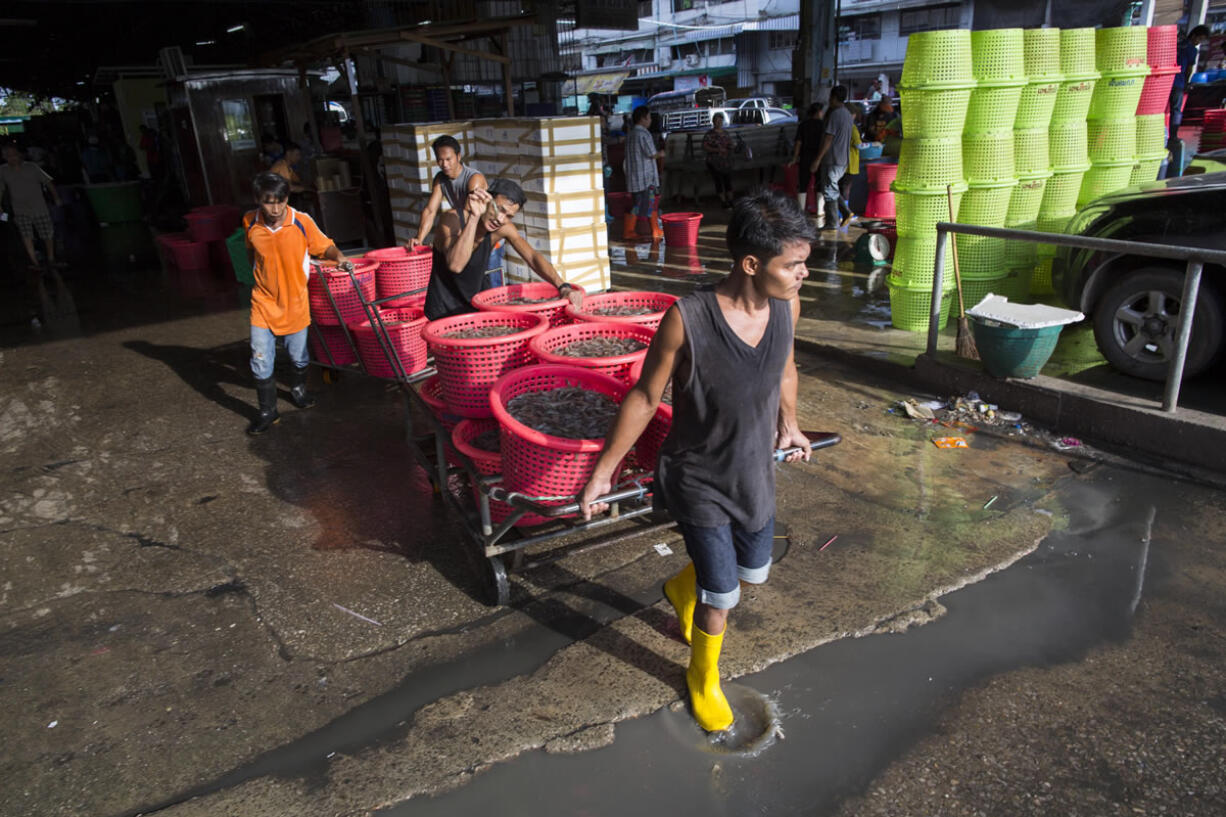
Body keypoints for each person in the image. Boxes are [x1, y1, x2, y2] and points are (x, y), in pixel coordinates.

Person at [579, 189, 814, 732]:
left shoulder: (788, 306)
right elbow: (643, 397)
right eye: (793, 265)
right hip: (699, 477)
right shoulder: (687, 319)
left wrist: (791, 423)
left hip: (753, 470)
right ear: (751, 263)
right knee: (723, 601)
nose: (803, 275)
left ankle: (685, 587)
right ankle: (702, 679)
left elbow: (785, 368)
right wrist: (603, 473)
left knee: (751, 575)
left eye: (805, 264)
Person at [242, 172, 350, 435]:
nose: (276, 208)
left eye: (281, 201)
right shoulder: (249, 222)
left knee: (298, 356)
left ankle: (299, 391)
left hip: (296, 303)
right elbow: (250, 254)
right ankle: (268, 412)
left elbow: (325, 247)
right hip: (263, 302)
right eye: (268, 202)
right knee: (260, 358)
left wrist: (341, 258)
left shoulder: (301, 221)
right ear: (258, 200)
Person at [424, 177, 582, 321]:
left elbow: (532, 257)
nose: (501, 219)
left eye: (509, 216)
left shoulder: (502, 228)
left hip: (476, 307)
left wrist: (563, 286)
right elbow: (455, 265)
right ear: (487, 200)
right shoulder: (452, 220)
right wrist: (474, 217)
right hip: (444, 310)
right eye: (499, 209)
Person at [410, 134, 487, 248]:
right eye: (440, 160)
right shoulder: (440, 179)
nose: (445, 164)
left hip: (483, 238)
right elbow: (430, 211)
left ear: (458, 156)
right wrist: (419, 239)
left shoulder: (474, 179)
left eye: (448, 159)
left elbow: (468, 214)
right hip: (465, 236)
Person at [1, 143, 64, 269]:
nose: (11, 158)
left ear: (19, 155)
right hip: (20, 209)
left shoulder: (32, 167)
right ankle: (35, 262)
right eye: (8, 156)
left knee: (47, 233)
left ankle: (51, 259)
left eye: (14, 155)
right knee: (26, 235)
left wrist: (56, 197)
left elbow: (48, 182)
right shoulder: (2, 170)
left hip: (39, 207)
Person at [809, 85, 855, 231]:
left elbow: (828, 139)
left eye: (830, 97)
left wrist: (817, 160)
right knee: (832, 188)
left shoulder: (835, 115)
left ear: (834, 98)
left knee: (829, 190)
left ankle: (831, 223)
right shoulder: (847, 114)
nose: (829, 100)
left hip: (833, 159)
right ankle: (846, 213)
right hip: (842, 159)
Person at [623, 105, 665, 241]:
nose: (651, 120)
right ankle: (654, 230)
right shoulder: (644, 134)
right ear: (643, 118)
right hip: (645, 178)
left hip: (634, 178)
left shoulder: (631, 134)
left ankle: (630, 230)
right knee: (650, 203)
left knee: (637, 204)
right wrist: (662, 153)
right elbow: (652, 154)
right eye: (649, 117)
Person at [1170, 25, 1211, 148]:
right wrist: (1187, 83)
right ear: (1194, 35)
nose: (1199, 42)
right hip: (1178, 82)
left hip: (1165, 81)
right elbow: (1189, 69)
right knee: (1176, 110)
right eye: (1199, 39)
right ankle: (1173, 136)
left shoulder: (1177, 44)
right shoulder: (1192, 49)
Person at [788, 103, 825, 226]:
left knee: (803, 184)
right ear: (819, 112)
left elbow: (798, 143)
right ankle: (820, 211)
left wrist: (794, 157)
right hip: (819, 158)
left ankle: (800, 211)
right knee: (820, 184)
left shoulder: (803, 125)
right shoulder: (823, 125)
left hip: (805, 157)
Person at [837, 112, 864, 228]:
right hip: (850, 162)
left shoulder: (840, 126)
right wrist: (872, 145)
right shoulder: (852, 128)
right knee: (846, 189)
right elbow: (858, 145)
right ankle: (845, 212)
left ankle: (840, 213)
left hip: (840, 161)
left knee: (840, 187)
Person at [702, 112, 735, 208]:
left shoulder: (726, 133)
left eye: (720, 120)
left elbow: (730, 144)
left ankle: (730, 200)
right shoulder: (709, 134)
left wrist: (731, 147)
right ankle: (723, 201)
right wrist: (717, 150)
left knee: (728, 180)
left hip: (726, 160)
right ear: (713, 122)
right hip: (714, 160)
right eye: (717, 121)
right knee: (718, 180)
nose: (719, 122)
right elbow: (705, 146)